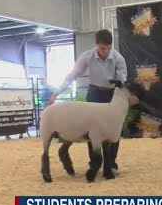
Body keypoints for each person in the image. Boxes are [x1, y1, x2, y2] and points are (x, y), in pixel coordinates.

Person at [47, 29, 139, 172]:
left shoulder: (119, 58)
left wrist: (128, 99)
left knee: (113, 131)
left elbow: (122, 84)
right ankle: (94, 164)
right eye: (103, 48)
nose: (106, 51)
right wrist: (55, 93)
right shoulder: (86, 57)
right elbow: (72, 76)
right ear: (96, 45)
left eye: (108, 48)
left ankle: (111, 165)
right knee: (91, 131)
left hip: (112, 94)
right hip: (94, 93)